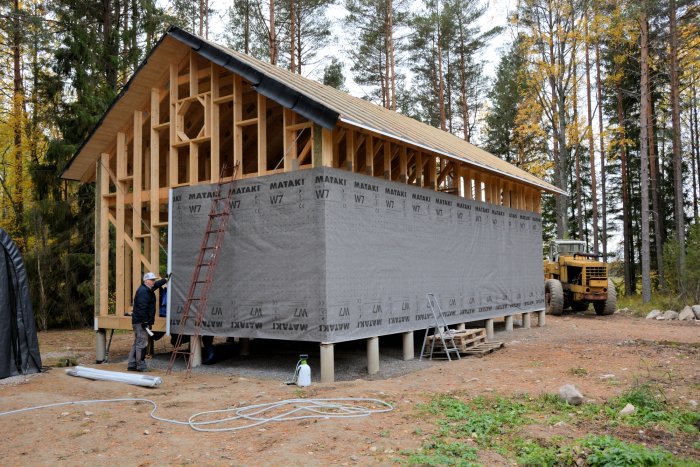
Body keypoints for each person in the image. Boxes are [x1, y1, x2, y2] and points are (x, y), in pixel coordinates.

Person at [128, 272, 169, 371]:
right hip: (141, 322)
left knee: (137, 343)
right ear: (146, 281)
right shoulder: (144, 292)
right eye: (152, 280)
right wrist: (145, 322)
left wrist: (165, 280)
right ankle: (140, 365)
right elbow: (142, 308)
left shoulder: (147, 289)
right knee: (142, 344)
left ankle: (132, 364)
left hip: (139, 321)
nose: (154, 282)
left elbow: (156, 285)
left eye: (154, 280)